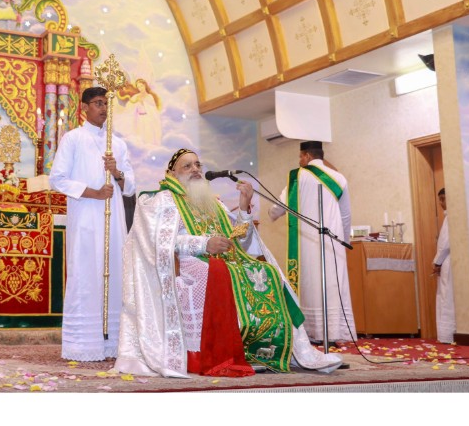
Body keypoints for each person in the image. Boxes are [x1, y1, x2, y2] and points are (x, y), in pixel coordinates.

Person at [114, 148, 342, 378]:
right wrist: (204, 244)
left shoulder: (211, 201)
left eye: (198, 165)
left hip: (227, 261)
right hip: (188, 262)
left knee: (267, 271)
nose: (195, 170)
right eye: (187, 166)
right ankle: (226, 354)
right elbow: (160, 242)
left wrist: (244, 206)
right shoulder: (162, 200)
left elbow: (241, 241)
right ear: (172, 173)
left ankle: (282, 351)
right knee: (218, 271)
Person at [49, 86, 136, 361]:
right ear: (84, 107)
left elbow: (131, 187)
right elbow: (58, 179)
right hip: (86, 216)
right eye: (98, 103)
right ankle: (83, 344)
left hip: (114, 220)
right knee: (86, 272)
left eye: (106, 104)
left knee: (115, 269)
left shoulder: (118, 145)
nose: (103, 109)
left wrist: (116, 172)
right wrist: (94, 193)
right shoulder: (73, 139)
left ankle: (113, 342)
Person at [268, 140, 357, 343]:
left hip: (307, 242)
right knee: (333, 285)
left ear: (307, 156)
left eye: (300, 157)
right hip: (333, 241)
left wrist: (270, 213)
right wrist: (343, 242)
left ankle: (310, 332)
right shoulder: (339, 178)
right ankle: (335, 333)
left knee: (310, 285)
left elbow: (280, 206)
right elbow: (345, 215)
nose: (299, 161)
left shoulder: (298, 176)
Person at [433, 187, 455, 343]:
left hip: (448, 259)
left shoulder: (451, 217)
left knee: (446, 296)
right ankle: (447, 334)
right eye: (439, 200)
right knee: (446, 295)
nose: (441, 203)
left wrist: (437, 261)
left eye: (443, 199)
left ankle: (447, 334)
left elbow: (445, 244)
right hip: (447, 259)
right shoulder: (449, 217)